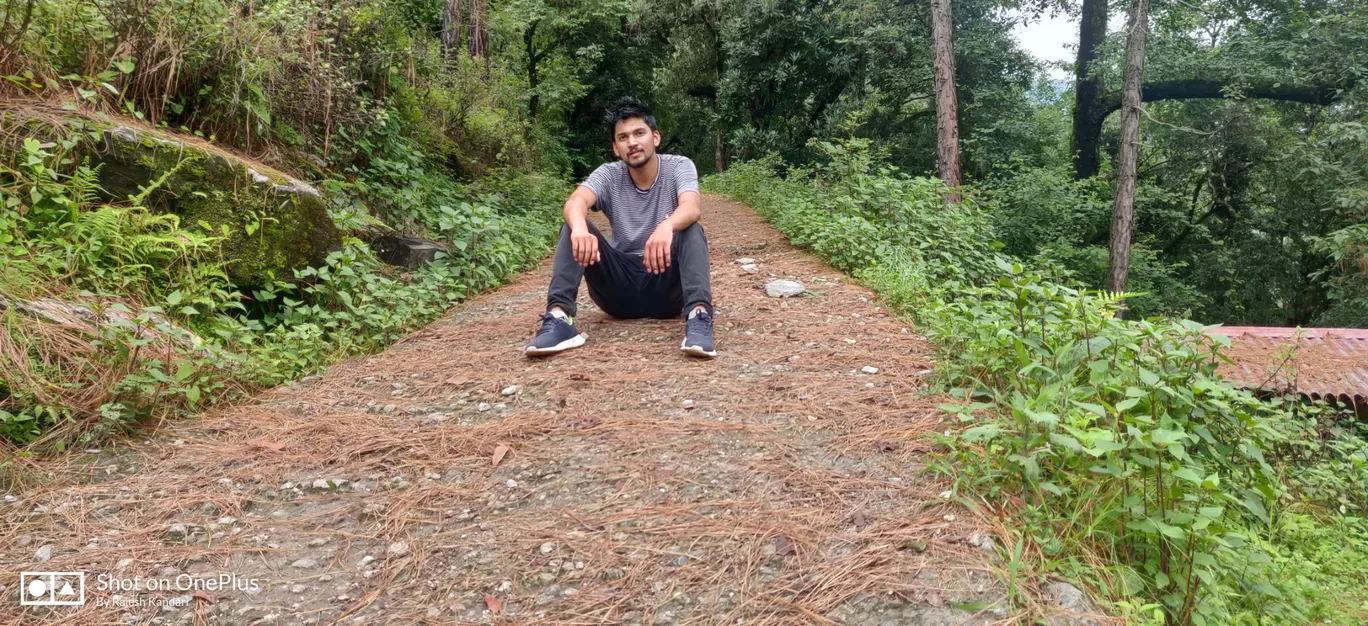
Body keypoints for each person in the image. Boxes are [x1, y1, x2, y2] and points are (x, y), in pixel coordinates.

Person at [525, 97, 716, 358]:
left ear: (655, 137)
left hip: (668, 286)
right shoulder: (609, 174)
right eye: (623, 137)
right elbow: (576, 201)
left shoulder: (679, 166)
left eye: (639, 133)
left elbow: (692, 206)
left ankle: (698, 318)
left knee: (692, 228)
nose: (632, 142)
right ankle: (559, 318)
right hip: (618, 290)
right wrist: (580, 228)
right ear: (616, 148)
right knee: (574, 225)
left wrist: (666, 226)